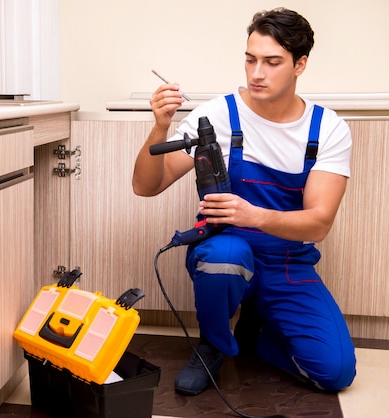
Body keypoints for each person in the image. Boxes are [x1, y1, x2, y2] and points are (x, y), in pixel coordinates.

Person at [132, 7, 356, 396]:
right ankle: (213, 347)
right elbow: (146, 186)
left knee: (335, 373)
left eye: (272, 62)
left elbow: (319, 222)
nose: (256, 73)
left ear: (300, 64)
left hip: (288, 263)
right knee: (225, 256)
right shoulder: (218, 115)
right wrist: (160, 126)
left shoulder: (327, 128)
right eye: (250, 59)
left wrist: (254, 215)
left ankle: (254, 337)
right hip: (226, 249)